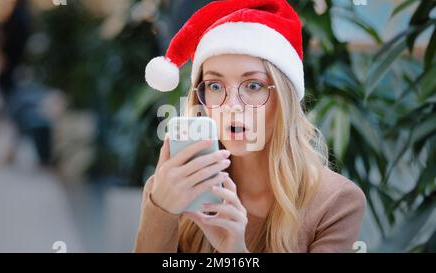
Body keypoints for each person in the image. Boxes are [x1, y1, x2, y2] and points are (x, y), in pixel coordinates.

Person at [135, 0, 366, 253]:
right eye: (214, 86)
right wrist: (162, 210)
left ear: (284, 100)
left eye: (253, 86)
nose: (231, 106)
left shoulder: (336, 202)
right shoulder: (172, 189)